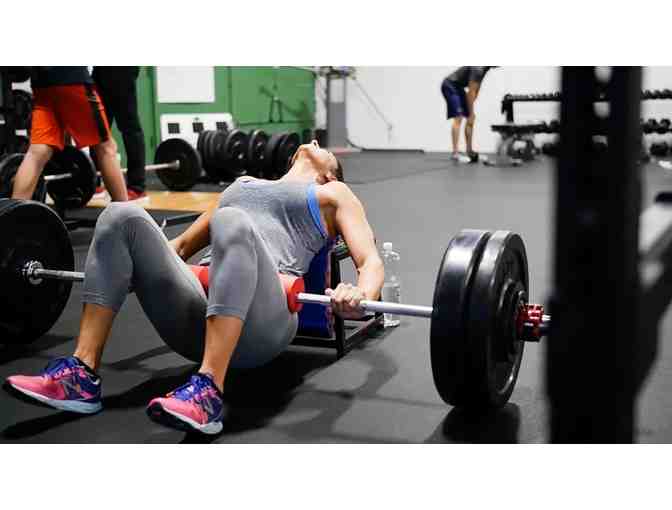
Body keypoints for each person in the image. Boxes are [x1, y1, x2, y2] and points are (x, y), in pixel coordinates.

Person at [6, 141, 384, 435]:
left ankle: (207, 391)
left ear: (329, 175)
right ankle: (81, 375)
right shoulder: (242, 185)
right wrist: (131, 265)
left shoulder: (335, 194)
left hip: (263, 320)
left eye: (322, 147)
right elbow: (182, 246)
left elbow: (370, 262)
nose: (314, 142)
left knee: (231, 221)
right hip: (196, 312)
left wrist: (361, 295)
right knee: (120, 214)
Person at [11, 66, 128, 202]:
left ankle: (14, 210)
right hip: (72, 79)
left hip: (42, 85)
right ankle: (125, 212)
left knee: (37, 153)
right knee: (106, 148)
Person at [92, 67, 148, 201]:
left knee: (129, 127)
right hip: (100, 70)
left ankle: (137, 187)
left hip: (121, 71)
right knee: (97, 127)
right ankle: (95, 182)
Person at [440, 66, 496, 163]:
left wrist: (470, 112)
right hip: (449, 85)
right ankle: (455, 154)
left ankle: (469, 151)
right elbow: (471, 91)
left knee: (470, 118)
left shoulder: (485, 68)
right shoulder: (478, 68)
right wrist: (471, 112)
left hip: (458, 87)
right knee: (459, 117)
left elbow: (476, 88)